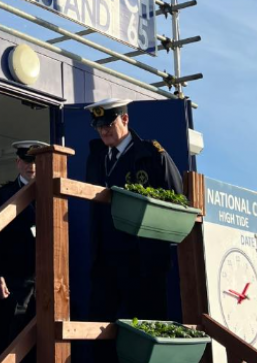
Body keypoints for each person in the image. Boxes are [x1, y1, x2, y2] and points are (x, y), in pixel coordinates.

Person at [83, 98, 183, 363]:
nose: (103, 130)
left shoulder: (151, 155)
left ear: (125, 120)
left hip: (143, 262)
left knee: (146, 334)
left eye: (109, 123)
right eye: (98, 125)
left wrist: (160, 252)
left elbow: (177, 200)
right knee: (100, 332)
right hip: (105, 261)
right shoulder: (95, 158)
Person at [0, 140, 47, 363]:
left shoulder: (52, 193)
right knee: (8, 339)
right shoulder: (1, 195)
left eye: (37, 161)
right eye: (27, 160)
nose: (32, 166)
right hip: (12, 280)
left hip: (45, 282)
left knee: (40, 344)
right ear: (18, 162)